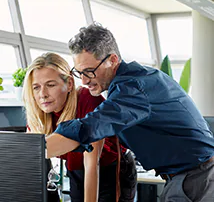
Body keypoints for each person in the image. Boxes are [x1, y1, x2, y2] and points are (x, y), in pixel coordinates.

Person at [46, 23, 214, 202]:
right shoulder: (134, 80)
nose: (85, 80)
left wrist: (32, 151)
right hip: (192, 176)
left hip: (196, 179)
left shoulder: (133, 87)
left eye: (89, 71)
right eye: (79, 73)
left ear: (112, 60)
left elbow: (92, 126)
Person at [22, 52, 137, 202]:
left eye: (50, 85)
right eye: (36, 87)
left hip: (111, 167)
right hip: (76, 167)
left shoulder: (87, 100)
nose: (42, 94)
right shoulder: (39, 114)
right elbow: (31, 162)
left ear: (69, 84)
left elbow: (92, 164)